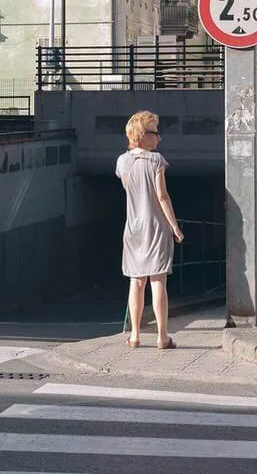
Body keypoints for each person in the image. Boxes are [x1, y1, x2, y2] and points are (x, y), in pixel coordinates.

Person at [115, 110, 183, 350]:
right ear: (143, 135)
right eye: (155, 132)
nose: (159, 138)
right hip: (156, 226)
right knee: (158, 281)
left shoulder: (122, 161)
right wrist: (175, 227)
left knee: (136, 281)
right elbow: (162, 197)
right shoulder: (156, 161)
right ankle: (162, 337)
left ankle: (134, 335)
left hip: (133, 227)